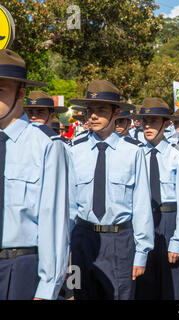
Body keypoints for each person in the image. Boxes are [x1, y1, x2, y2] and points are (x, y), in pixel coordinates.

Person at [68, 80, 154, 300]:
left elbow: (142, 204)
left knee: (120, 296)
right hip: (82, 239)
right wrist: (65, 246)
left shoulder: (133, 152)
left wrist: (142, 252)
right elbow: (69, 203)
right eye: (90, 111)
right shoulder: (74, 150)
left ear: (116, 112)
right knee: (80, 294)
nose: (93, 116)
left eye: (101, 110)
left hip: (119, 241)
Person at [0, 49, 70, 300]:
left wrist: (47, 288)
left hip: (20, 268)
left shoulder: (47, 145)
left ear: (21, 93)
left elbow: (54, 221)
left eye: (0, 91)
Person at [133, 98, 179, 300]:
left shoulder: (178, 156)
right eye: (145, 121)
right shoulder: (137, 154)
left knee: (170, 285)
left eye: (154, 121)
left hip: (168, 221)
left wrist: (178, 240)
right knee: (144, 283)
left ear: (166, 123)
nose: (148, 126)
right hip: (143, 222)